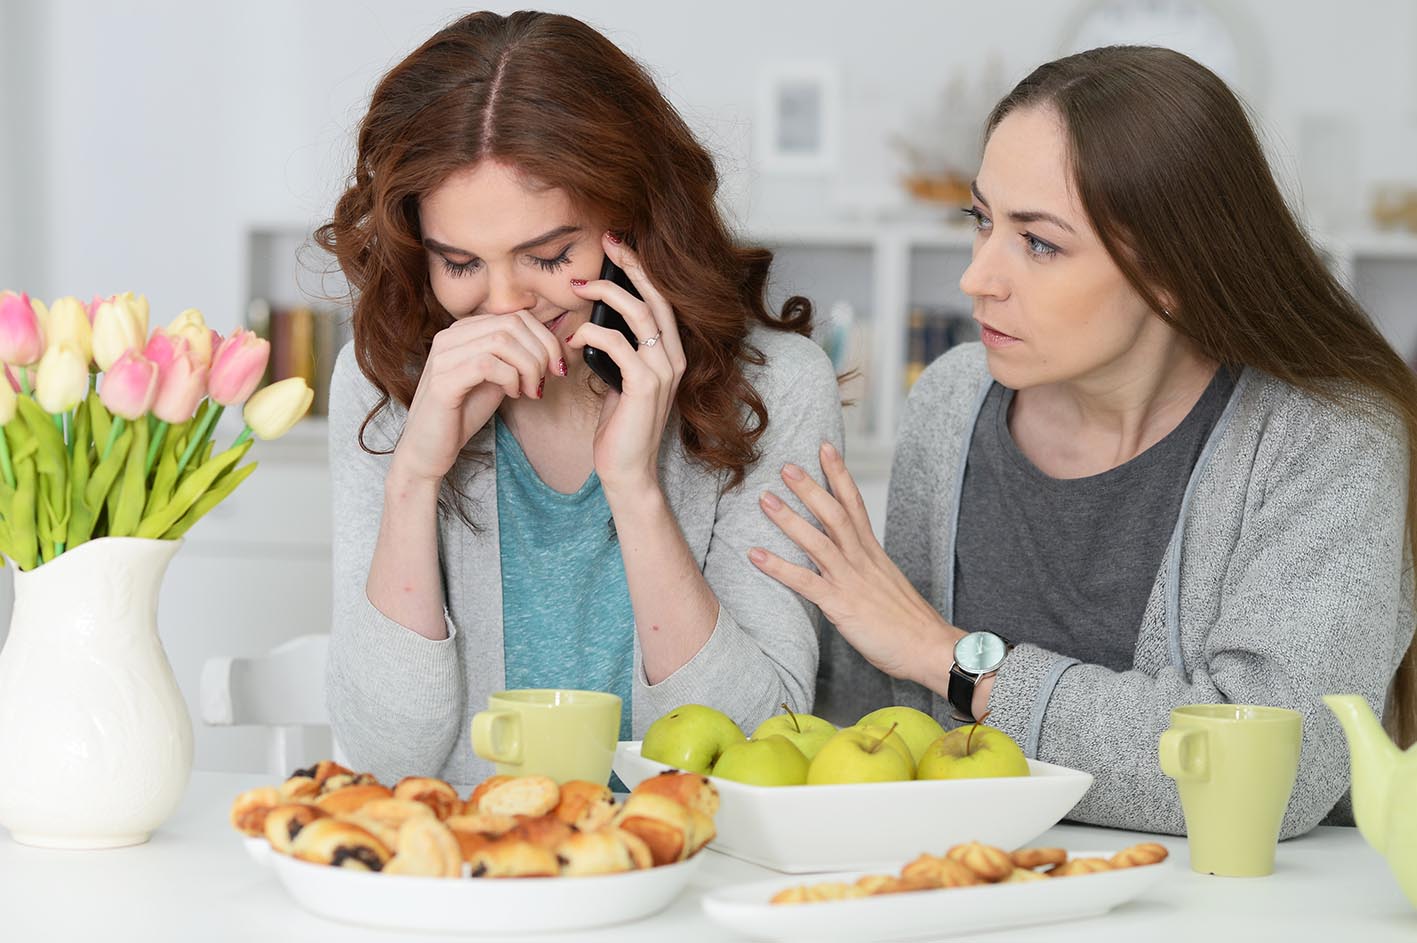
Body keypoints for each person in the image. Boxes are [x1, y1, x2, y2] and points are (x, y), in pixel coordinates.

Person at [749, 46, 1417, 838]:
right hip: (975, 892)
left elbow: (1274, 768)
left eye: (1038, 243)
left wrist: (951, 658)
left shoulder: (1328, 440)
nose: (976, 277)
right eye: (981, 220)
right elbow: (885, 736)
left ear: (1172, 269)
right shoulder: (953, 401)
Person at [317, 11, 843, 786]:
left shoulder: (775, 389)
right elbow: (387, 759)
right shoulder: (385, 387)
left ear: (628, 218)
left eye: (549, 255)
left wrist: (634, 488)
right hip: (479, 876)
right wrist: (414, 475)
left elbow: (750, 752)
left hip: (693, 872)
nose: (505, 304)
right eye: (460, 263)